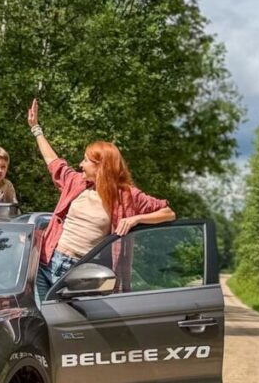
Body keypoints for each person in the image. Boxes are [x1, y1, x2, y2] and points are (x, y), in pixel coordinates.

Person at [27, 99, 176, 299]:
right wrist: (36, 128)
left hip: (79, 274)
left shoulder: (127, 195)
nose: (81, 164)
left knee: (68, 319)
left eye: (86, 160)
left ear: (101, 166)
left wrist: (135, 219)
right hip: (46, 262)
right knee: (41, 317)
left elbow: (168, 213)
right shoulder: (77, 182)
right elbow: (53, 162)